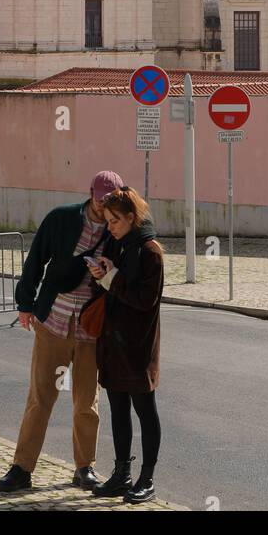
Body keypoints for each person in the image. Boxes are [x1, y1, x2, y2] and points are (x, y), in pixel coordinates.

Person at [0, 170, 122, 495]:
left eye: (110, 200)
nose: (103, 205)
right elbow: (35, 260)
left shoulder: (118, 229)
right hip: (54, 321)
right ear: (90, 192)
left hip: (91, 329)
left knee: (86, 401)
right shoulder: (61, 219)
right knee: (41, 397)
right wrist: (25, 303)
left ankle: (85, 468)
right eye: (99, 197)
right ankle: (21, 468)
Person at [88, 185, 164, 504]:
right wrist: (101, 275)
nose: (110, 227)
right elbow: (113, 289)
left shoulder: (150, 251)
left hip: (138, 345)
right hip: (112, 342)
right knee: (118, 409)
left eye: (115, 221)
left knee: (145, 410)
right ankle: (122, 473)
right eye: (107, 221)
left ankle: (147, 477)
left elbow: (146, 300)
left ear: (132, 218)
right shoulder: (118, 245)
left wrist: (111, 279)